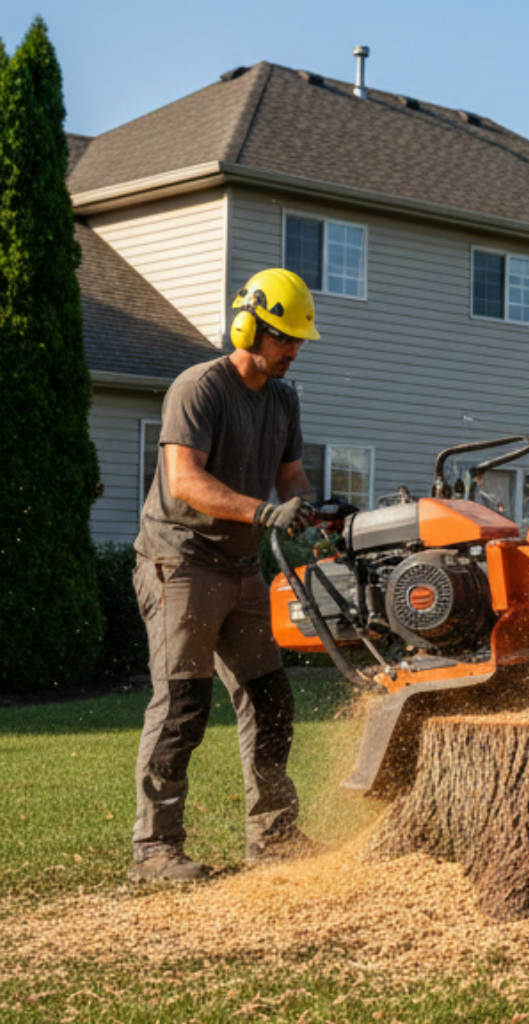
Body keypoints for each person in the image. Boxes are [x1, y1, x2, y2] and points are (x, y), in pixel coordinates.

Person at [129, 268, 323, 881]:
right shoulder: (199, 388)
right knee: (183, 706)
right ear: (247, 328)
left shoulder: (284, 399)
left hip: (241, 567)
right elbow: (185, 479)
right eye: (284, 338)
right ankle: (154, 847)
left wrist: (314, 512)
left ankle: (275, 835)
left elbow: (291, 477)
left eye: (298, 340)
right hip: (180, 562)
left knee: (271, 699)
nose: (293, 351)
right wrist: (264, 512)